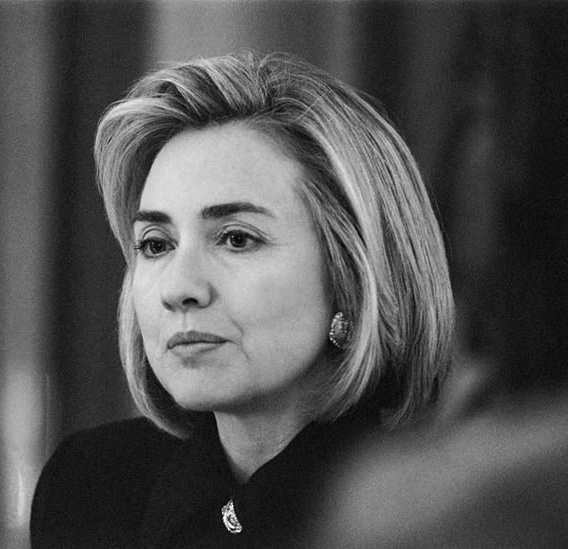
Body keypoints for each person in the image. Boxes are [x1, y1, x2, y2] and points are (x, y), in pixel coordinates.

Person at [30, 52, 454, 548]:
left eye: (236, 239)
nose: (179, 288)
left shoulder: (447, 510)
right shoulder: (92, 488)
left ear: (352, 274)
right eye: (156, 244)